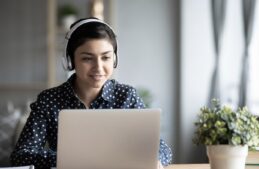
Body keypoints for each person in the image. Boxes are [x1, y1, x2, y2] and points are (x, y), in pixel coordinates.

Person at [10, 17, 172, 169]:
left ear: (114, 59)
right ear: (70, 61)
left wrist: (156, 159)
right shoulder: (49, 100)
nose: (98, 68)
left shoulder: (127, 96)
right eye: (87, 58)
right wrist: (70, 159)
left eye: (106, 58)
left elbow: (162, 148)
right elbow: (21, 155)